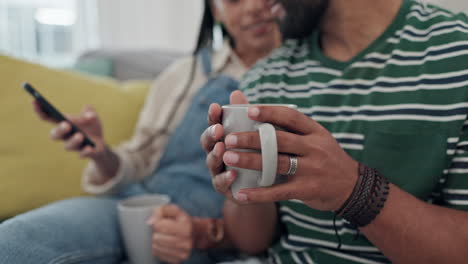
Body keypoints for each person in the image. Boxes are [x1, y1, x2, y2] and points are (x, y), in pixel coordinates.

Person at [0, 0, 280, 263]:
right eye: (233, 0)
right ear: (214, 10)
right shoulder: (184, 75)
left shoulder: (307, 78)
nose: (254, 6)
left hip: (222, 225)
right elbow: (140, 159)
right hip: (138, 204)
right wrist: (102, 154)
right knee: (13, 243)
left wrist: (210, 231)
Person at [201, 0, 468, 263]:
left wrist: (354, 191)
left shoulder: (457, 54)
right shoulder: (264, 76)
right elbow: (251, 242)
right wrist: (240, 182)